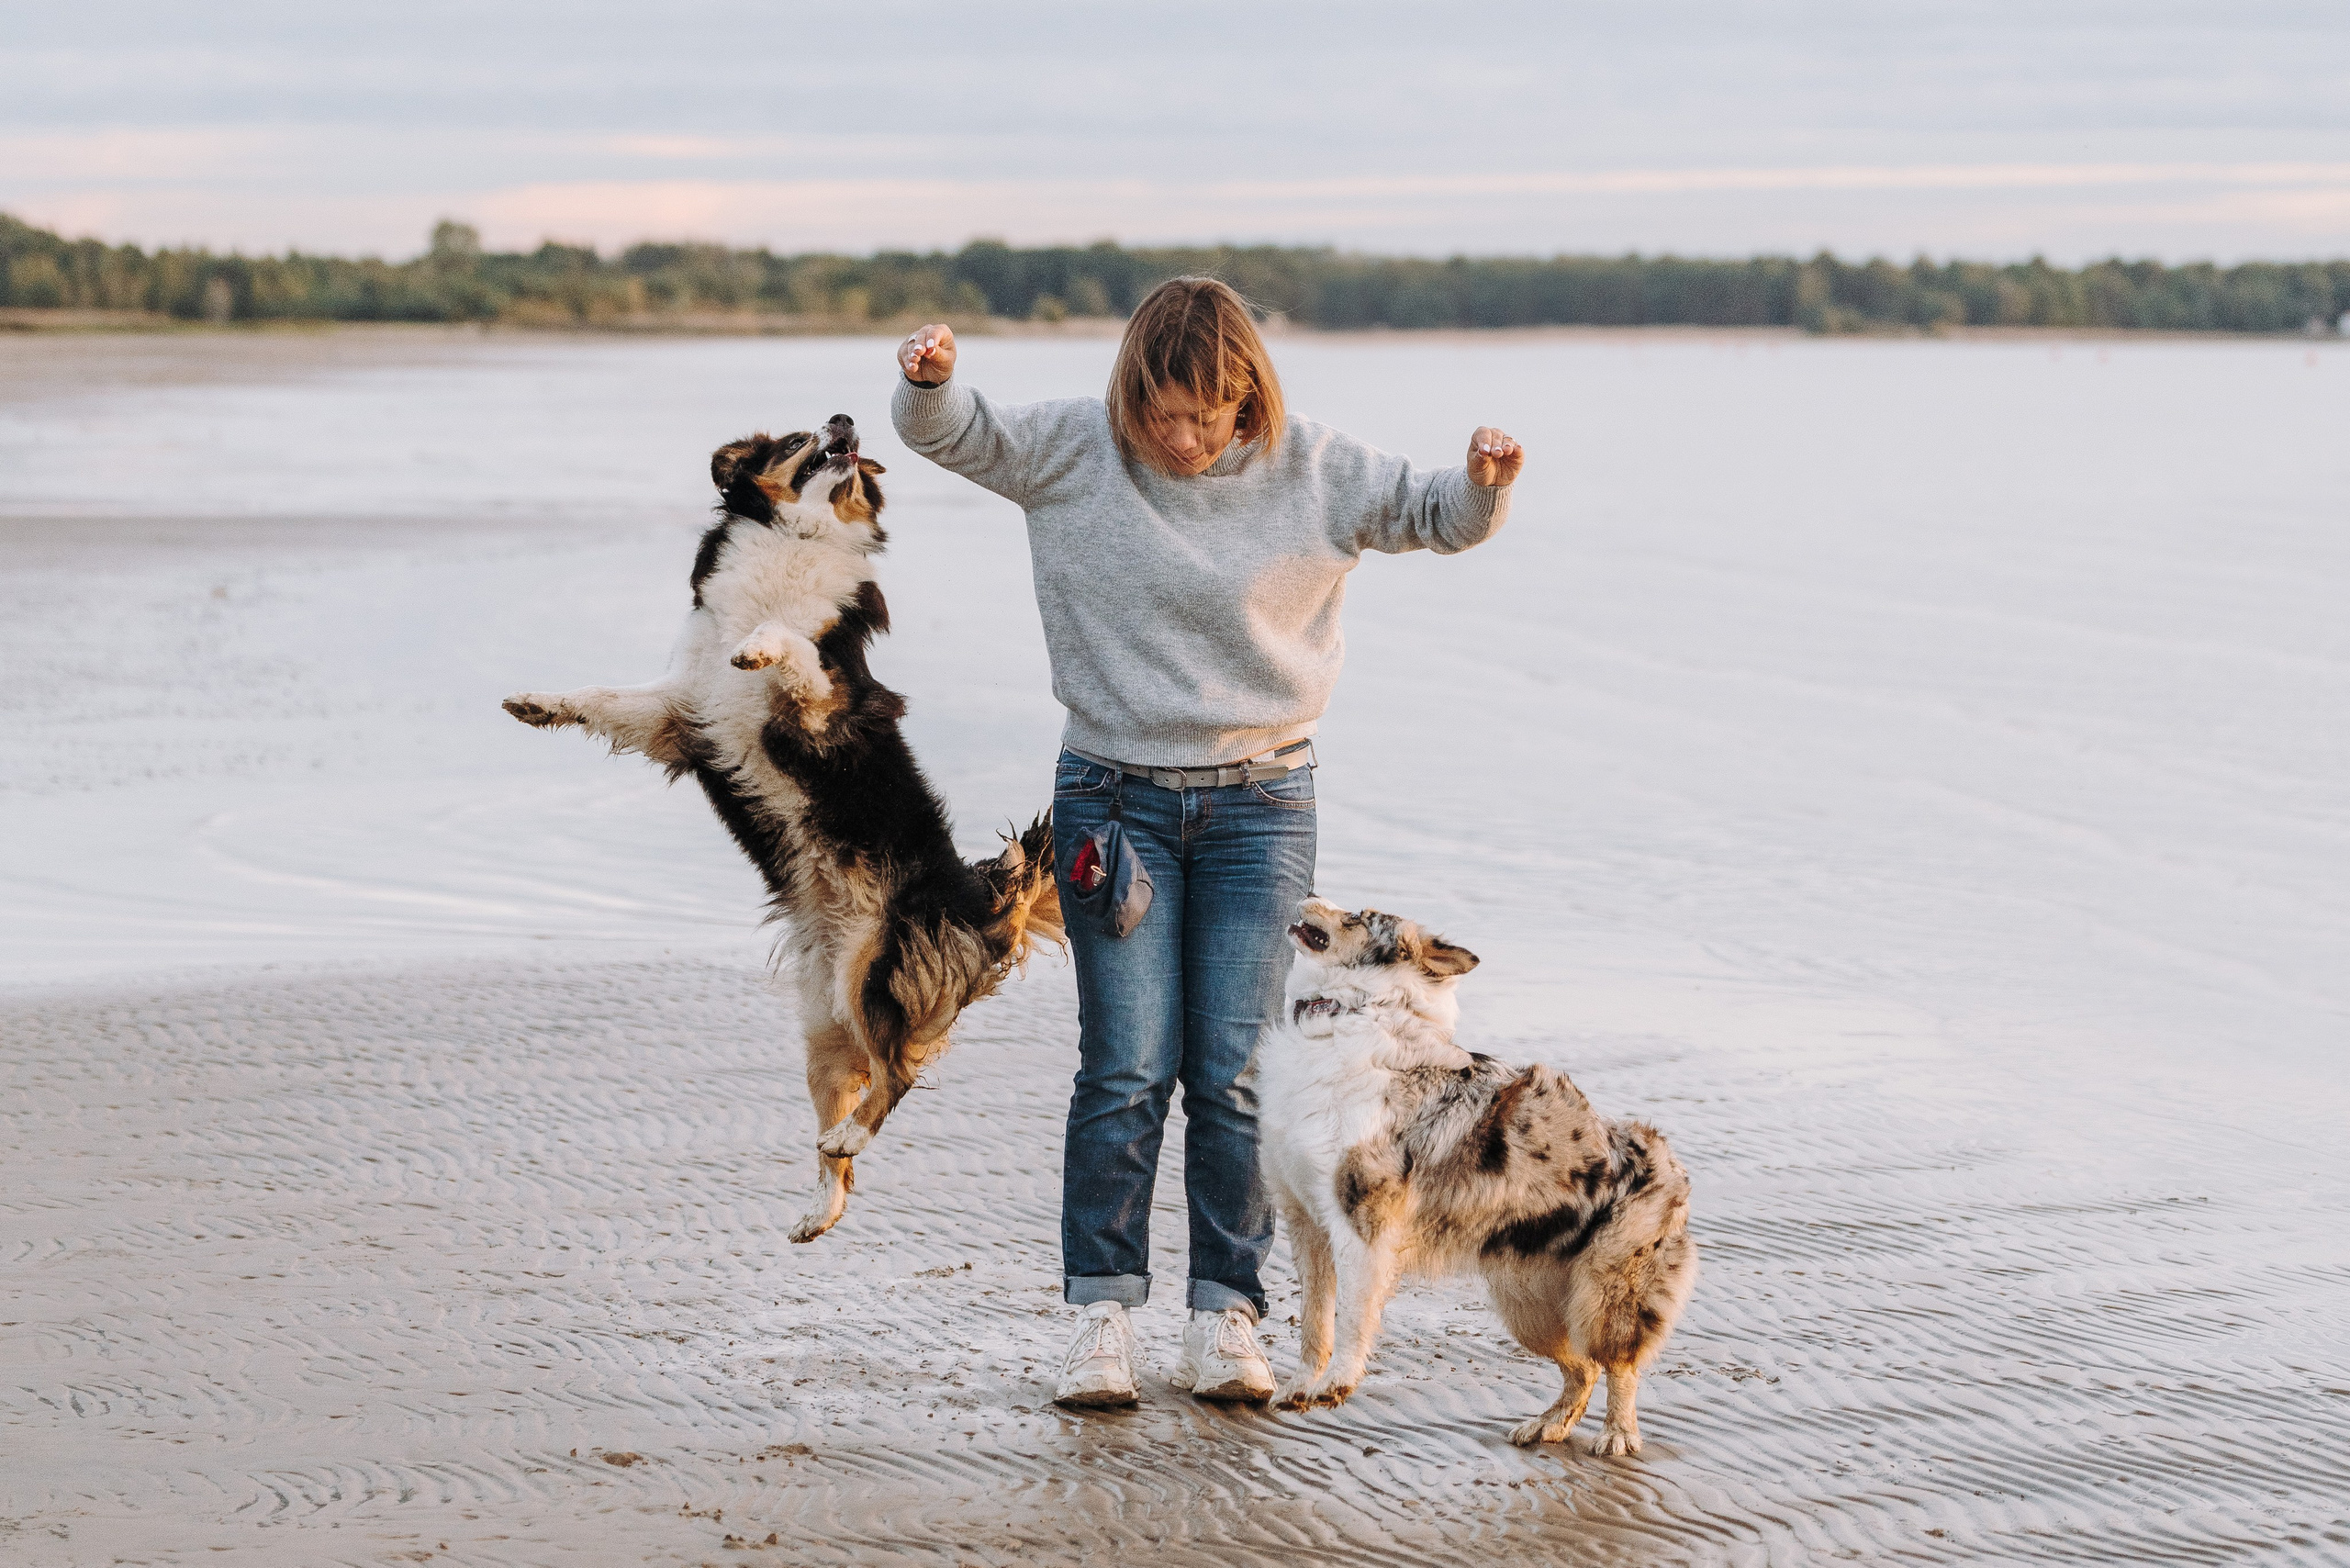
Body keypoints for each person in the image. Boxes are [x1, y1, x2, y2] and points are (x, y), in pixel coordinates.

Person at [890, 278, 1523, 1408]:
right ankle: (1098, 1315)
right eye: (1159, 415)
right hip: (1112, 799)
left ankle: (1226, 1311)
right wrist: (927, 382)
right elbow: (958, 432)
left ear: (1247, 402)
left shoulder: (1313, 467)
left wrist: (1482, 484)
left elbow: (1433, 513)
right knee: (1126, 1065)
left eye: (1206, 416)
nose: (1179, 438)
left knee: (1230, 1074)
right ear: (1129, 395)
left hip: (1262, 805)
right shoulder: (1078, 447)